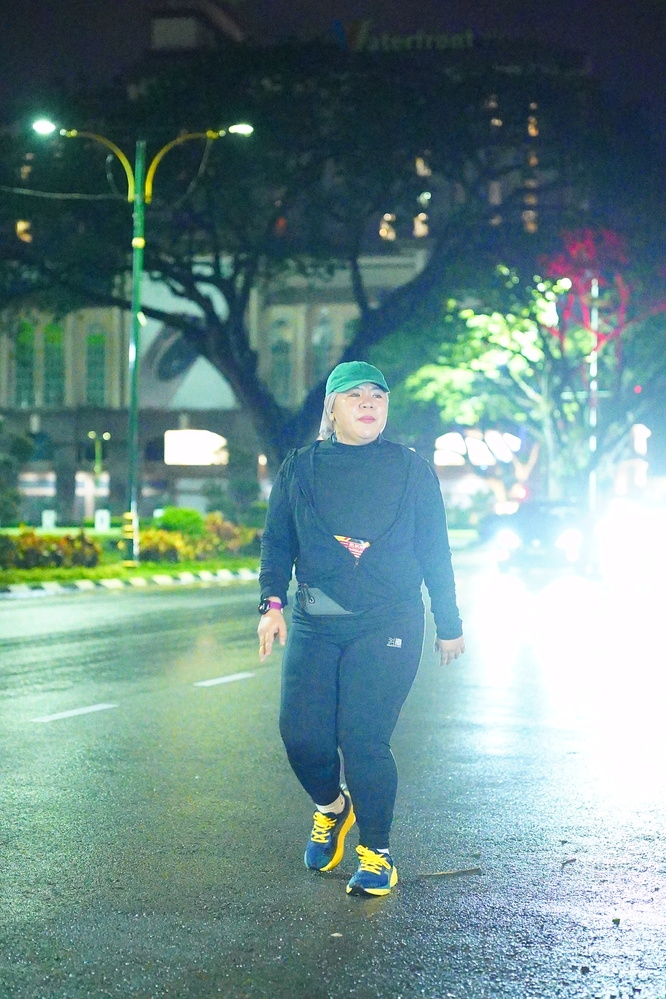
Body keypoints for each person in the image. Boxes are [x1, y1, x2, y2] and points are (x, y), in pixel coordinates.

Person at [257, 361, 464, 897]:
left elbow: (435, 550)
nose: (369, 403)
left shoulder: (411, 469)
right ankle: (332, 808)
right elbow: (277, 542)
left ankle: (377, 855)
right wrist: (271, 604)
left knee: (363, 738)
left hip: (389, 620)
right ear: (331, 407)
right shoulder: (300, 468)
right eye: (355, 395)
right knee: (301, 737)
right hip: (316, 620)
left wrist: (448, 622)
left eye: (378, 395)